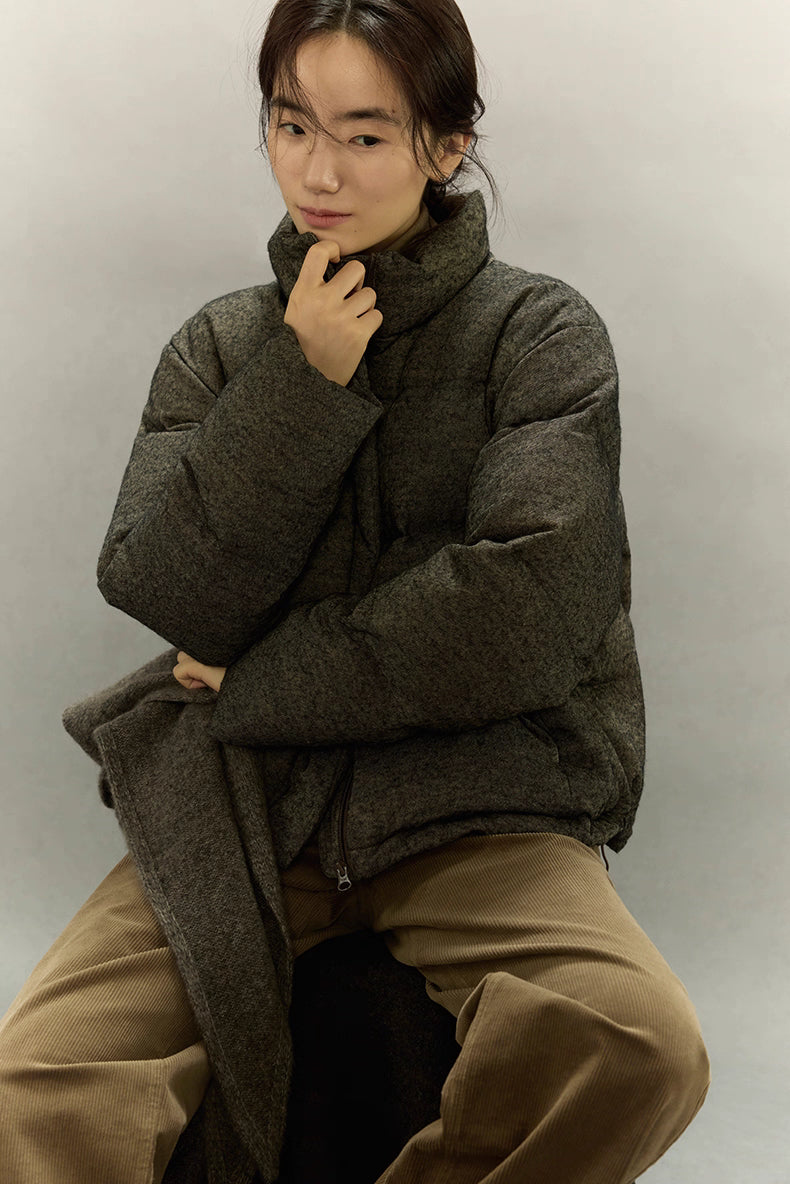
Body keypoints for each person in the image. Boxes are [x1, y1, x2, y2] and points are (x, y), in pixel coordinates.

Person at [0, 1, 711, 1182]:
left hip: (474, 801)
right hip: (247, 804)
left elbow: (527, 610)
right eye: (292, 126)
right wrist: (300, 380)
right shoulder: (221, 347)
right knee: (37, 1081)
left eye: (365, 136)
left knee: (634, 1039)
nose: (318, 173)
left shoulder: (538, 333)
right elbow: (162, 582)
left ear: (447, 143)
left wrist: (258, 678)